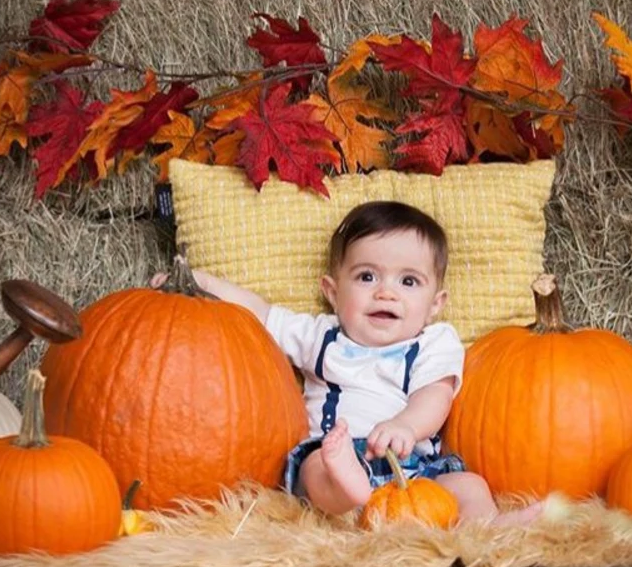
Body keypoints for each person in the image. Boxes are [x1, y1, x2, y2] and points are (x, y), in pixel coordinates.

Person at [158, 200, 543, 527]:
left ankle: (489, 527)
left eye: (408, 282)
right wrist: (196, 281)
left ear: (434, 304)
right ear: (333, 291)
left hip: (409, 466)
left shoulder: (433, 342)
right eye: (367, 276)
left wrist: (406, 426)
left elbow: (435, 396)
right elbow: (260, 313)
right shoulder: (321, 337)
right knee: (313, 469)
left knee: (469, 485)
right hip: (334, 451)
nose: (386, 292)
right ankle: (348, 490)